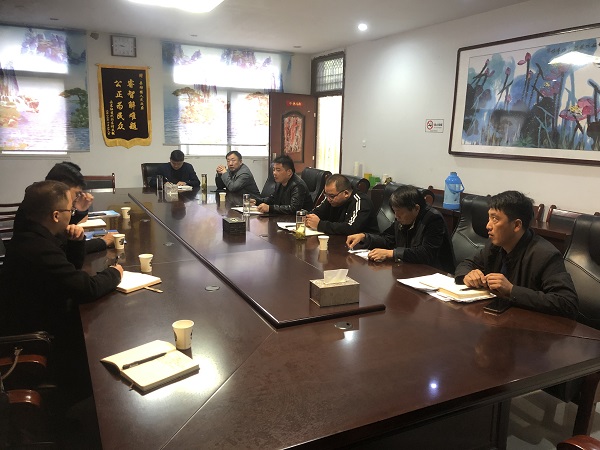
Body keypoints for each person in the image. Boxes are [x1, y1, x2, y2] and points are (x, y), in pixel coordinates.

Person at [0, 180, 123, 406]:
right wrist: (115, 273)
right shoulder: (37, 248)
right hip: (38, 339)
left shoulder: (34, 235)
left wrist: (76, 241)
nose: (73, 215)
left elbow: (69, 270)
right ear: (56, 216)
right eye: (70, 210)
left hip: (39, 317)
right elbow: (87, 288)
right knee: (107, 335)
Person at [454, 190, 578, 319]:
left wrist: (511, 290)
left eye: (495, 219)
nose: (488, 226)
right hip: (498, 319)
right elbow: (467, 263)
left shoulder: (545, 255)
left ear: (517, 225)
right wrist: (468, 275)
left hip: (531, 326)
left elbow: (567, 303)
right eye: (489, 218)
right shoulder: (495, 245)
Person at [346, 185, 455, 273]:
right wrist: (365, 237)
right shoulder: (403, 219)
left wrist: (391, 253)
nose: (396, 216)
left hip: (434, 274)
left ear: (416, 208)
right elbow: (388, 239)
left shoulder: (433, 219)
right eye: (394, 211)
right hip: (409, 270)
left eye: (399, 212)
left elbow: (426, 253)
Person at [45, 161, 114, 252]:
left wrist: (79, 210)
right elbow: (65, 248)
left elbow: (67, 232)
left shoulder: (48, 205)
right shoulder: (45, 215)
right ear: (61, 188)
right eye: (77, 194)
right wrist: (103, 242)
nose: (78, 198)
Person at [306, 174, 378, 235]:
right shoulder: (330, 198)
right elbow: (317, 212)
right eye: (326, 195)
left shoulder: (361, 201)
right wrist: (308, 218)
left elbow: (351, 228)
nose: (328, 199)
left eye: (332, 196)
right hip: (338, 239)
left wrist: (320, 225)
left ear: (346, 193)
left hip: (364, 244)